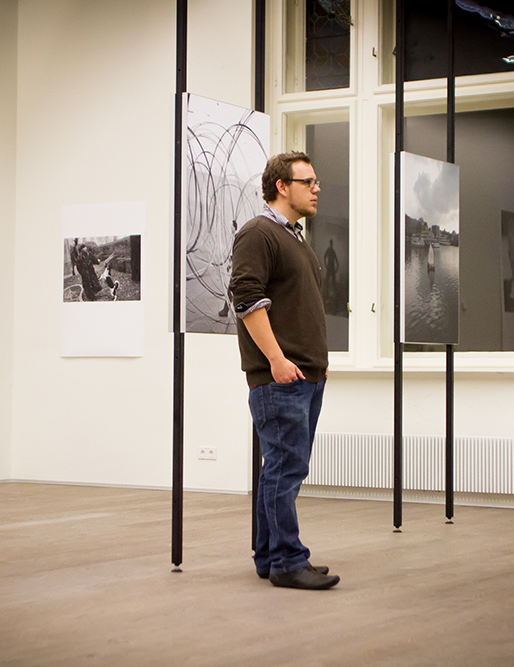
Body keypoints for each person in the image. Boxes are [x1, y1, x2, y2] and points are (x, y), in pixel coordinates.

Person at [229, 151, 339, 591]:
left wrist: (317, 365)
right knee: (284, 469)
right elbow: (246, 300)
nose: (316, 189)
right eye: (307, 182)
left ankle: (270, 557)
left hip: (305, 376)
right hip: (281, 378)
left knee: (281, 467)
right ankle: (289, 562)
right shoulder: (258, 233)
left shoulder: (296, 239)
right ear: (281, 186)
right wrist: (277, 360)